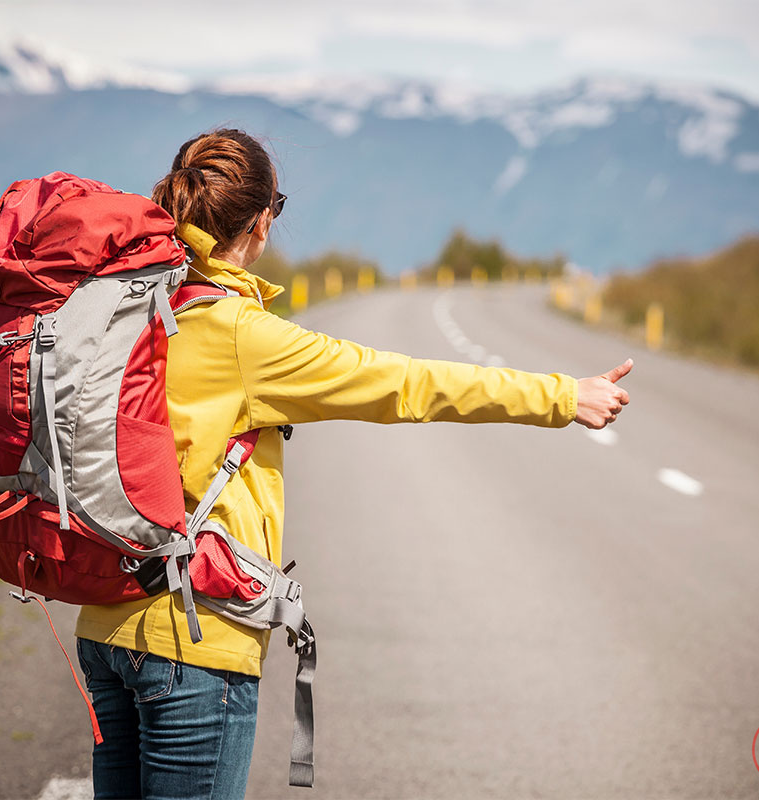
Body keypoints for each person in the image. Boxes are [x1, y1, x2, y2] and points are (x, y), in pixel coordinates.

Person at [74, 128, 632, 800]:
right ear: (262, 220)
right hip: (194, 640)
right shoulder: (241, 336)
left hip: (104, 622)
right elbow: (404, 383)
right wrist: (564, 396)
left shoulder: (131, 309)